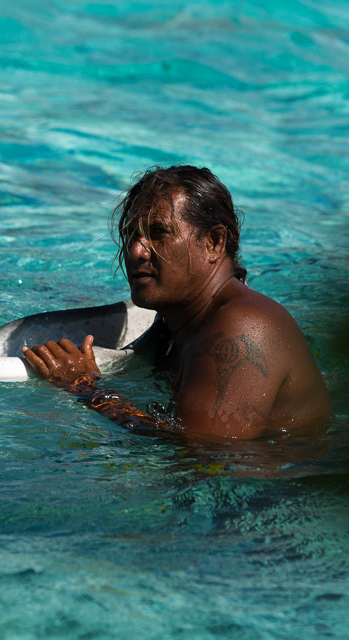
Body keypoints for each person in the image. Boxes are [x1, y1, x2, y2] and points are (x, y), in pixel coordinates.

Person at [22, 166, 332, 441]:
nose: (136, 251)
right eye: (131, 235)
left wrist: (86, 387)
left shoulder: (241, 328)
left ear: (214, 242)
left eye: (158, 233)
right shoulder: (177, 324)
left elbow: (204, 455)